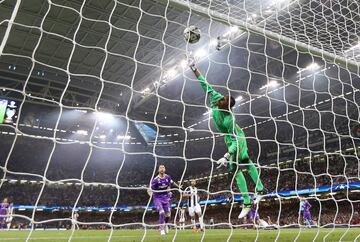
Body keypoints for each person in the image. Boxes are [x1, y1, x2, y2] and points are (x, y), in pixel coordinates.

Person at [189, 59, 266, 218]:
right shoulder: (216, 98)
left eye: (223, 100)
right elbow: (205, 84)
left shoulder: (229, 119)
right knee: (245, 162)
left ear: (226, 107)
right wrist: (194, 68)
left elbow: (234, 140)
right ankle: (260, 189)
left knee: (235, 168)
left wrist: (227, 155)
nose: (220, 99)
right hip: (231, 139)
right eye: (222, 97)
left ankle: (247, 201)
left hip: (237, 139)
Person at [149, 165, 181, 235]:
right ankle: (161, 229)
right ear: (158, 170)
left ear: (165, 169)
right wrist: (151, 195)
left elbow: (172, 183)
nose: (162, 169)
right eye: (160, 168)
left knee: (168, 215)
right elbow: (150, 190)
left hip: (166, 198)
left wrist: (179, 187)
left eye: (163, 167)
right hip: (157, 198)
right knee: (161, 212)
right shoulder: (155, 180)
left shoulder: (167, 177)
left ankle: (165, 225)